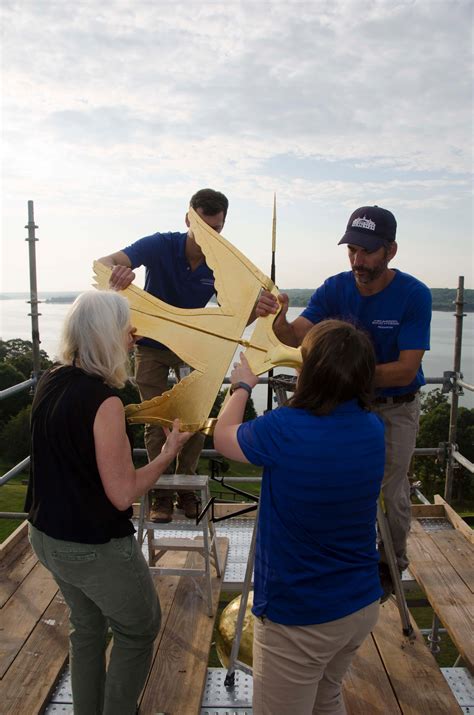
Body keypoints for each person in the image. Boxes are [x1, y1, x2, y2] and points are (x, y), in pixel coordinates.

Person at [25, 291, 191, 715]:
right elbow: (122, 492)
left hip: (44, 534)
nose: (133, 337)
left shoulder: (52, 379)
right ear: (103, 335)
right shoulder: (106, 403)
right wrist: (168, 454)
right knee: (138, 629)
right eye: (126, 329)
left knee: (87, 629)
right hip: (90, 546)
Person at [255, 205, 432, 596]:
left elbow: (405, 370)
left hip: (394, 406)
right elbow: (296, 337)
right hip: (344, 407)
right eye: (352, 249)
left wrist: (340, 374)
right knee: (332, 483)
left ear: (391, 250)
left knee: (390, 490)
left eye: (367, 251)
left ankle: (390, 564)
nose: (358, 260)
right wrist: (278, 319)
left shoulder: (413, 295)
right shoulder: (334, 287)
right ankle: (338, 559)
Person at [214, 321, 385, 715]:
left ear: (309, 372)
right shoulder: (373, 428)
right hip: (358, 603)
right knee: (327, 697)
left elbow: (223, 438)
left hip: (301, 618)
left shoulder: (285, 429)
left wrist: (242, 385)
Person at [97, 188, 229, 523]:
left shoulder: (223, 262)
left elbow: (235, 314)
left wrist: (258, 310)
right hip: (151, 346)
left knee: (196, 421)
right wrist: (119, 273)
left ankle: (186, 490)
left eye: (215, 230)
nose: (207, 237)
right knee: (156, 421)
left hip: (192, 348)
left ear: (223, 227)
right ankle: (160, 495)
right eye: (201, 227)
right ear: (188, 219)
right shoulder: (160, 244)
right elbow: (104, 263)